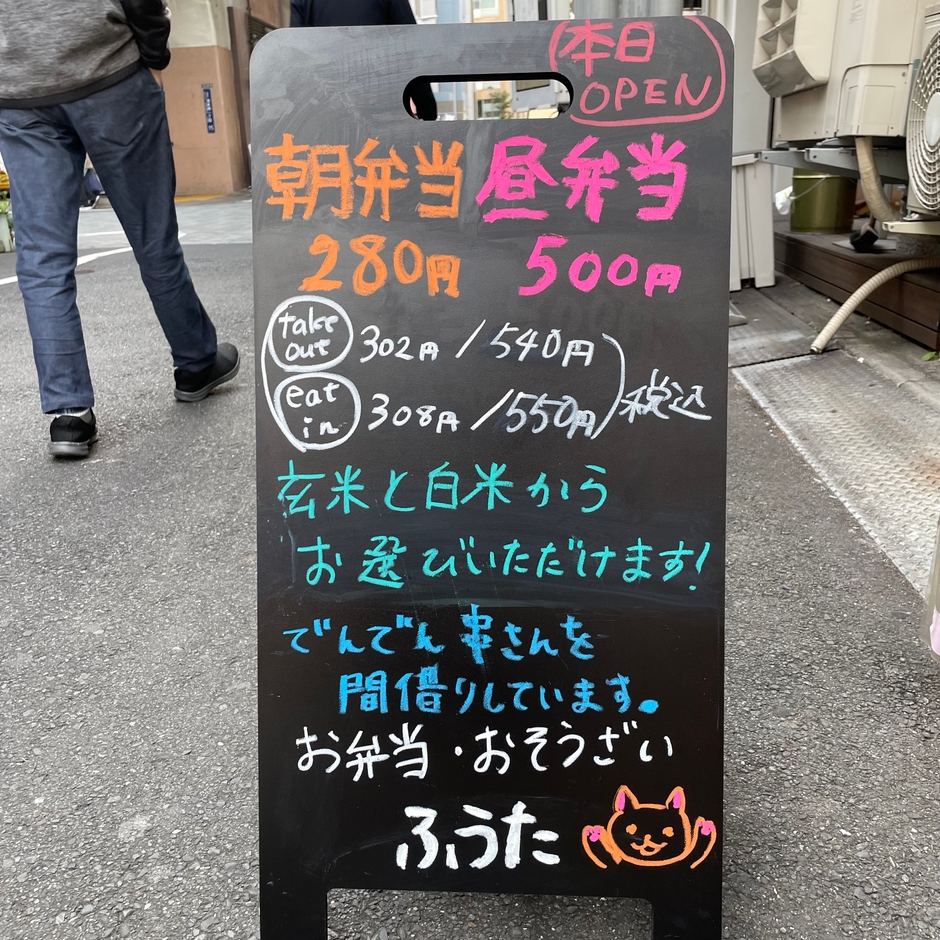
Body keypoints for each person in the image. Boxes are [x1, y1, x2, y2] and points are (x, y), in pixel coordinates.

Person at [0, 1, 239, 459]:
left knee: (42, 258)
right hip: (108, 71)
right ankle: (195, 364)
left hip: (19, 89)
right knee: (152, 234)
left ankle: (69, 414)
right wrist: (154, 53)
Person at [290, 0, 437, 121]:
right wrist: (426, 108)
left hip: (328, 104)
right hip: (379, 103)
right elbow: (409, 45)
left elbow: (296, 54)